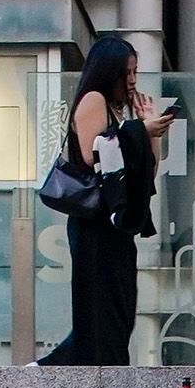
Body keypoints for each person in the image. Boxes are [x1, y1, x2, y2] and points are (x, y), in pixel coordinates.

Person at [40, 34, 170, 367]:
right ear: (108, 71)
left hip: (115, 224)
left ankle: (55, 367)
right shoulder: (93, 99)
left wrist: (146, 130)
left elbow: (146, 171)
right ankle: (57, 369)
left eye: (135, 72)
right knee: (101, 310)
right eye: (125, 73)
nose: (131, 81)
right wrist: (140, 131)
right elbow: (93, 154)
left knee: (119, 308)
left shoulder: (116, 110)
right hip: (93, 225)